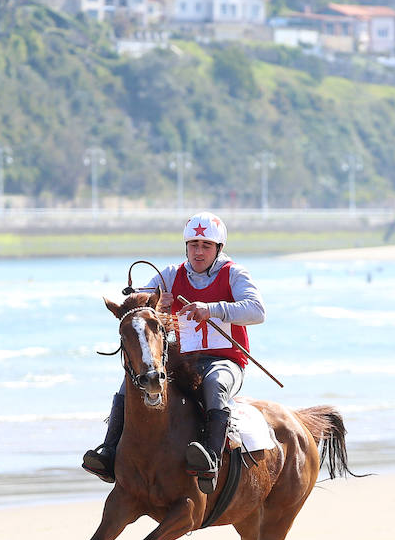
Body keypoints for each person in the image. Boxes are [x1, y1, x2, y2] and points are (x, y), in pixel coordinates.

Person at [83, 211, 265, 494]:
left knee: (214, 385)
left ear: (218, 249)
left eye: (206, 246)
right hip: (182, 361)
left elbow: (257, 310)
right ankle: (108, 452)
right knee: (132, 381)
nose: (198, 252)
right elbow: (136, 304)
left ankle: (212, 459)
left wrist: (212, 309)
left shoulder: (235, 274)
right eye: (193, 245)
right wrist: (156, 303)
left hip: (225, 360)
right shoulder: (170, 274)